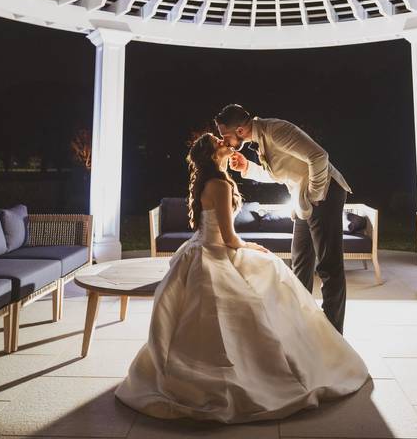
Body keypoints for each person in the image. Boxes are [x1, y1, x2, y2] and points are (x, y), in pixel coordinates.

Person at [114, 134, 368, 423]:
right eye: (218, 142)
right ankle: (268, 363)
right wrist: (252, 246)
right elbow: (229, 237)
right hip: (215, 251)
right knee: (268, 274)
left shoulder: (212, 182)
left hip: (199, 249)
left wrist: (245, 171)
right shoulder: (220, 184)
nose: (225, 142)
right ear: (213, 155)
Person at [215, 104, 351, 333]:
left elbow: (319, 156)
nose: (224, 141)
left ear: (239, 130)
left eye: (224, 135)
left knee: (329, 267)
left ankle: (333, 333)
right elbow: (279, 174)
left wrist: (314, 196)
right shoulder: (260, 141)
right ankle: (301, 327)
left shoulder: (276, 130)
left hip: (325, 194)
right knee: (300, 263)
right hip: (303, 202)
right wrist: (248, 167)